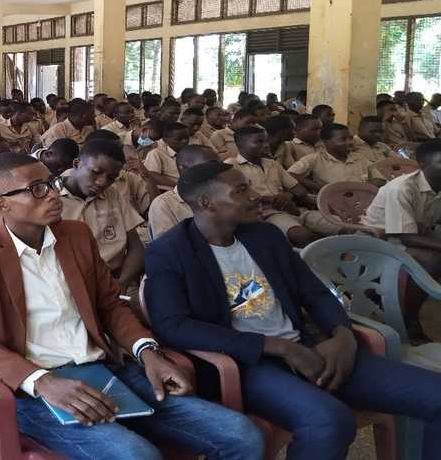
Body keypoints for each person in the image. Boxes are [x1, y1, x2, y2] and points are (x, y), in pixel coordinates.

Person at [0, 153, 264, 460]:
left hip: (107, 373)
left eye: (52, 182)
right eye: (37, 190)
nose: (54, 194)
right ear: (1, 203)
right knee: (136, 455)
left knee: (242, 435)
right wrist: (41, 380)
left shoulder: (76, 235)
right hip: (33, 393)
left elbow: (110, 305)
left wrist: (148, 352)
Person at [145, 160, 441, 460]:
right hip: (249, 364)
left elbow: (313, 291)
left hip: (309, 350)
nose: (255, 196)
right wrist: (278, 348)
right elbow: (174, 325)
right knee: (329, 422)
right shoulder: (170, 251)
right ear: (207, 203)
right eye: (241, 190)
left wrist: (342, 334)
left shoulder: (265, 236)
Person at [226, 126, 333, 248]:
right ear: (240, 144)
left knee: (340, 224)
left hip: (293, 208)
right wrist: (270, 199)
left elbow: (299, 190)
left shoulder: (272, 164)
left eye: (266, 140)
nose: (266, 145)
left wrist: (286, 196)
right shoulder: (231, 166)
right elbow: (234, 197)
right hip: (266, 213)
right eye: (259, 142)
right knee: (301, 235)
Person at [60, 140, 146, 291]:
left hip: (115, 280)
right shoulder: (51, 199)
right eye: (95, 172)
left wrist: (122, 283)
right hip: (69, 285)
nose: (102, 182)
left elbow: (136, 248)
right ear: (77, 164)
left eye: (111, 178)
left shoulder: (113, 195)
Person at [361, 138, 441, 284]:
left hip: (414, 232)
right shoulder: (401, 189)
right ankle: (406, 300)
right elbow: (407, 238)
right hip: (380, 239)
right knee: (433, 260)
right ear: (422, 165)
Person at [287, 124, 384, 193]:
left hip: (361, 200)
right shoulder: (315, 159)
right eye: (342, 139)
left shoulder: (359, 158)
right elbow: (291, 174)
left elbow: (379, 178)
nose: (349, 142)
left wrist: (363, 188)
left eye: (350, 138)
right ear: (325, 142)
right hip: (333, 203)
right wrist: (322, 187)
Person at [148, 145, 218, 239]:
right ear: (184, 169)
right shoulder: (164, 204)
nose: (218, 169)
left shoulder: (221, 195)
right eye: (211, 165)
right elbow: (170, 249)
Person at [144, 122, 190, 189]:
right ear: (165, 140)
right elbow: (152, 175)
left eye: (187, 138)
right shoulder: (157, 153)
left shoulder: (192, 152)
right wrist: (179, 185)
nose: (184, 141)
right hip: (167, 192)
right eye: (179, 139)